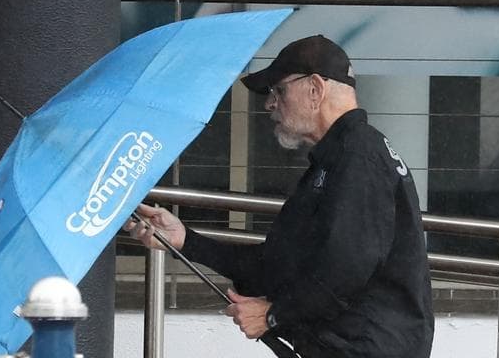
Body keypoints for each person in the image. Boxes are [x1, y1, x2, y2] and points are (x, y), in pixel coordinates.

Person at [129, 34, 434, 358]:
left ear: (315, 89)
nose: (270, 103)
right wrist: (184, 240)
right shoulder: (336, 161)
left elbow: (346, 268)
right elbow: (276, 264)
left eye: (279, 90)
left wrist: (272, 315)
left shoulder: (359, 156)